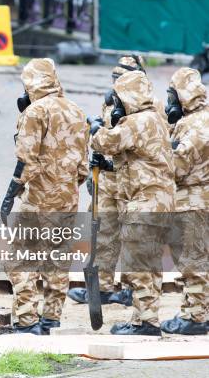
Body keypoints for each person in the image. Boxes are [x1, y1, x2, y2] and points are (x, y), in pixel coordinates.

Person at [0, 58, 89, 335]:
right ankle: (52, 318)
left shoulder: (35, 112)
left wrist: (10, 194)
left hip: (38, 200)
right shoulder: (76, 110)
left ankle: (27, 320)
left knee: (20, 257)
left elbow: (26, 160)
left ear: (30, 83)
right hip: (67, 199)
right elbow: (83, 167)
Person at [88, 70, 175, 335]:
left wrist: (95, 129)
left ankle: (146, 322)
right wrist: (107, 166)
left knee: (135, 262)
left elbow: (107, 141)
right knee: (149, 264)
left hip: (145, 204)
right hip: (159, 202)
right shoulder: (156, 120)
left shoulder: (137, 122)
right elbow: (138, 163)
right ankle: (144, 318)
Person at [68, 56, 147, 307]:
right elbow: (102, 141)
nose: (116, 84)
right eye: (114, 78)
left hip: (130, 182)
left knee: (133, 238)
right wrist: (96, 172)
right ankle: (101, 289)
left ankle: (131, 289)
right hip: (107, 179)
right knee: (102, 235)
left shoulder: (146, 109)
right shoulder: (111, 103)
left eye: (121, 78)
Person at [161, 67, 208, 335]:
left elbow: (178, 166)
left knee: (192, 260)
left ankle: (195, 317)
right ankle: (196, 310)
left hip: (193, 199)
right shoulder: (202, 119)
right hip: (199, 198)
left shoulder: (194, 125)